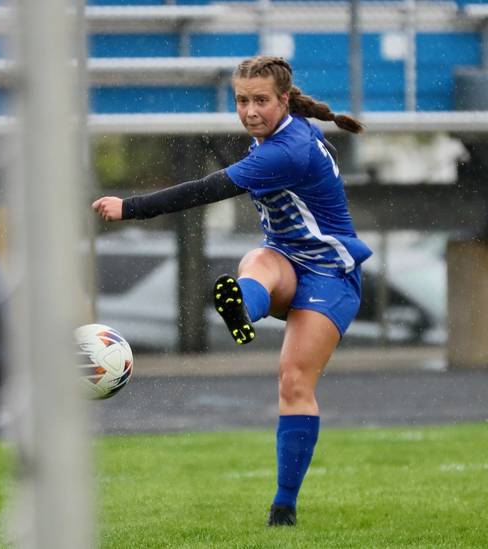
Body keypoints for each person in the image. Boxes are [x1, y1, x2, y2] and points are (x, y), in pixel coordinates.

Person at [92, 55, 372, 527]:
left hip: (330, 272)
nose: (250, 111)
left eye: (261, 101)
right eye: (242, 101)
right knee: (256, 260)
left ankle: (283, 506)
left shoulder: (287, 149)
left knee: (294, 382)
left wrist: (131, 207)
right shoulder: (282, 134)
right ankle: (243, 307)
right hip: (284, 257)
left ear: (284, 99)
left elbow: (206, 189)